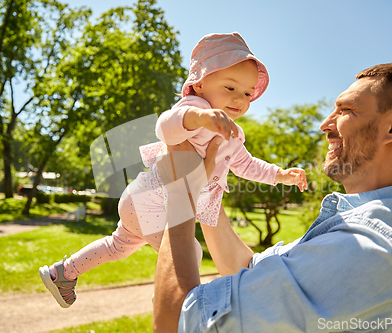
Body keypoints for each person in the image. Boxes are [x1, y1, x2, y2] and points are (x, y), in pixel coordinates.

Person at [152, 62, 392, 332]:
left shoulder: (369, 249)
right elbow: (249, 268)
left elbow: (177, 321)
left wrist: (182, 191)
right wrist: (206, 181)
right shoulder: (370, 228)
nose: (325, 125)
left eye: (345, 110)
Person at [39, 32, 307, 308]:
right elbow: (166, 126)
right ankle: (171, 304)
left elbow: (248, 165)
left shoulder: (232, 133)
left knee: (116, 246)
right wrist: (201, 118)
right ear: (200, 84)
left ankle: (63, 272)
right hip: (151, 201)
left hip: (144, 202)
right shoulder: (195, 109)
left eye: (248, 93)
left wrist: (280, 174)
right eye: (230, 88)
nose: (240, 99)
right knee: (188, 250)